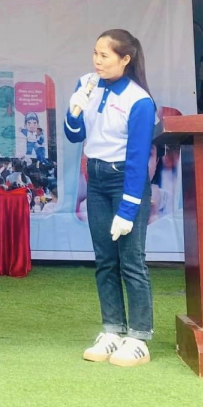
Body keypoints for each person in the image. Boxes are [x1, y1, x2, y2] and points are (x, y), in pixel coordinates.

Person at [64, 28, 156, 367]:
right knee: (105, 259)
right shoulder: (86, 84)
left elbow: (138, 157)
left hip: (125, 180)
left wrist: (129, 208)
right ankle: (112, 330)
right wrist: (73, 113)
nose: (97, 61)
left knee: (131, 260)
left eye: (104, 55)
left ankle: (139, 337)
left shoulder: (139, 100)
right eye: (95, 53)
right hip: (97, 177)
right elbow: (74, 136)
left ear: (125, 59)